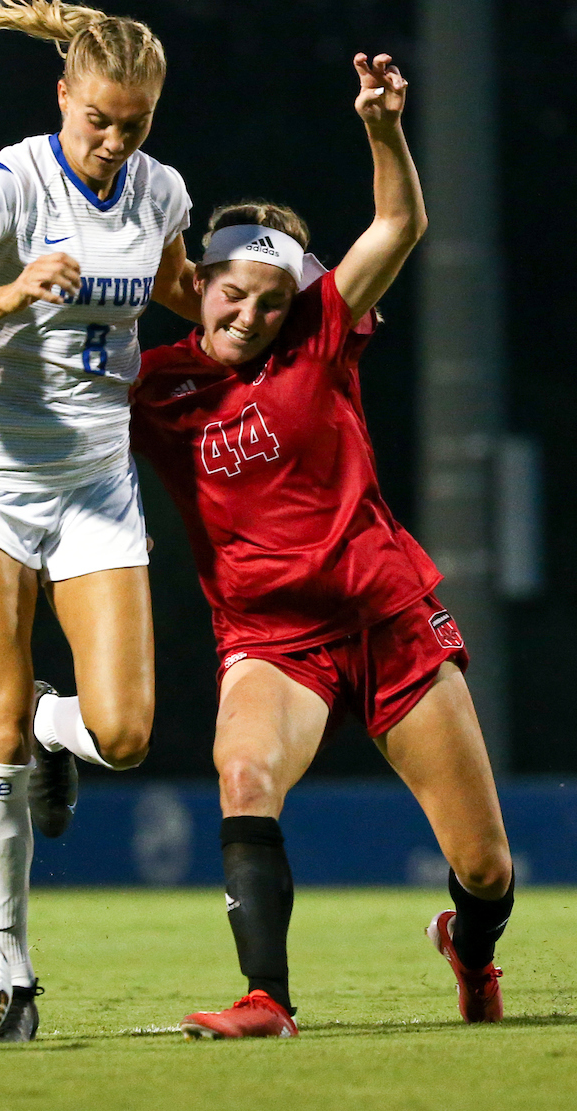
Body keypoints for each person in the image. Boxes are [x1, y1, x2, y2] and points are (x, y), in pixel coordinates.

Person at [129, 53, 514, 1038]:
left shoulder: (318, 332)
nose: (248, 316)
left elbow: (396, 226)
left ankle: (467, 952)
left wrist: (382, 130)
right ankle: (266, 1000)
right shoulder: (155, 386)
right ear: (197, 282)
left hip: (384, 618)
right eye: (231, 294)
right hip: (269, 640)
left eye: (267, 300)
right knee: (244, 777)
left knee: (484, 870)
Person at [0, 0, 199, 1041]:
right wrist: (9, 290)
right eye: (98, 118)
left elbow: (175, 288)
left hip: (93, 483)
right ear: (62, 89)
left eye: (136, 123)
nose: (114, 140)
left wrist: (287, 295)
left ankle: (50, 728)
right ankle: (9, 969)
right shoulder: (4, 188)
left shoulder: (160, 191)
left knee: (121, 732)